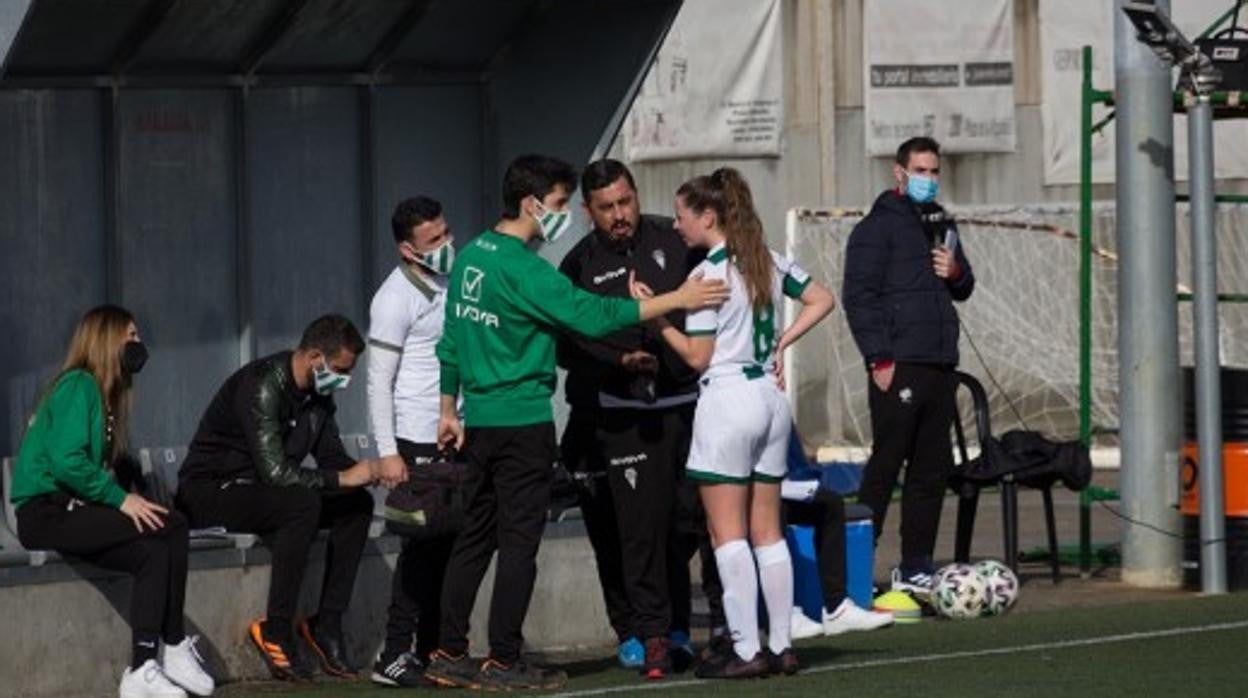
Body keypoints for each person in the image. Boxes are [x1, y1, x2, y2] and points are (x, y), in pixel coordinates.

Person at [423, 154, 729, 691]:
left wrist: (449, 409)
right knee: (519, 544)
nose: (565, 216)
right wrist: (674, 300)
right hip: (522, 422)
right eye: (562, 205)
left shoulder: (471, 256)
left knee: (475, 538)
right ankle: (503, 658)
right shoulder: (525, 269)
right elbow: (592, 315)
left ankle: (448, 650)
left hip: (480, 421)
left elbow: (449, 342)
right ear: (531, 204)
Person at [632, 167, 836, 679]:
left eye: (682, 217)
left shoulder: (710, 275)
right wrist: (782, 344)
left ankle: (746, 649)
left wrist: (656, 322)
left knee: (729, 535)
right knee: (769, 531)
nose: (677, 227)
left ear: (708, 216)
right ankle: (782, 643)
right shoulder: (765, 258)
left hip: (727, 398)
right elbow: (823, 298)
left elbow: (698, 357)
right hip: (770, 400)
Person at [556, 158, 714, 678]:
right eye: (607, 208)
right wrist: (617, 360)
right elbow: (566, 346)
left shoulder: (677, 240)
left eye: (626, 202)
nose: (620, 215)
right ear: (588, 211)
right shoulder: (578, 264)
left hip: (686, 406)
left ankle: (682, 624)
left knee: (684, 524)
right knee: (635, 532)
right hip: (619, 416)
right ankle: (650, 635)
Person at [10, 305, 214, 698]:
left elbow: (107, 462)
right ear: (106, 340)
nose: (138, 345)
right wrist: (121, 501)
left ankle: (141, 670)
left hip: (72, 511)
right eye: (131, 336)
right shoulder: (78, 385)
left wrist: (128, 489)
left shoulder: (106, 395)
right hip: (44, 514)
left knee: (152, 553)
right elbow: (67, 462)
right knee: (171, 525)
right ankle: (170, 646)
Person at [177, 315, 379, 681]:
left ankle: (326, 624)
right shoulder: (263, 383)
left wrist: (372, 472)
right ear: (315, 357)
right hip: (212, 491)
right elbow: (276, 473)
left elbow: (333, 460)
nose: (344, 380)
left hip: (264, 494)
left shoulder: (319, 395)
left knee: (357, 503)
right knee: (301, 503)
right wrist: (343, 477)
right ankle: (276, 628)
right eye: (340, 370)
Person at [841, 136, 975, 596]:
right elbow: (858, 297)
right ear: (899, 173)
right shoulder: (876, 229)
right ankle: (854, 566)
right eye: (921, 170)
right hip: (898, 363)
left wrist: (954, 272)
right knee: (885, 466)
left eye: (935, 171)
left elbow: (965, 286)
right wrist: (878, 356)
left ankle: (916, 563)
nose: (929, 179)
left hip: (939, 361)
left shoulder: (941, 223)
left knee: (931, 470)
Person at [366, 196, 458, 687]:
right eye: (434, 240)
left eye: (446, 233)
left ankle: (432, 646)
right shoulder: (393, 298)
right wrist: (388, 452)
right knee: (420, 548)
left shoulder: (450, 280)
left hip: (449, 433)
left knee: (449, 546)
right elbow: (378, 380)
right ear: (408, 249)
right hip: (414, 437)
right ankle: (393, 653)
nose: (446, 245)